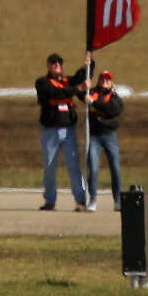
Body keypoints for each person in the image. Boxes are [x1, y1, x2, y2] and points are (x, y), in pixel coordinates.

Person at [35, 51, 93, 211]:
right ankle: (50, 200)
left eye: (59, 63)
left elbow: (81, 77)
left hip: (68, 131)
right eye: (54, 63)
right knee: (49, 166)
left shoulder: (68, 81)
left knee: (73, 166)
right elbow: (56, 93)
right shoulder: (42, 83)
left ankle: (81, 200)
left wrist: (89, 64)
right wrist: (78, 88)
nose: (57, 66)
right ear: (48, 66)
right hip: (50, 132)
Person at [86, 70, 125, 212]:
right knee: (94, 168)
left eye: (107, 80)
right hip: (94, 136)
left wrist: (95, 103)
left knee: (115, 168)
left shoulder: (114, 97)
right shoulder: (91, 93)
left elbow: (113, 109)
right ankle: (93, 199)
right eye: (102, 79)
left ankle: (118, 201)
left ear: (111, 82)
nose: (104, 81)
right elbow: (83, 99)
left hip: (110, 135)